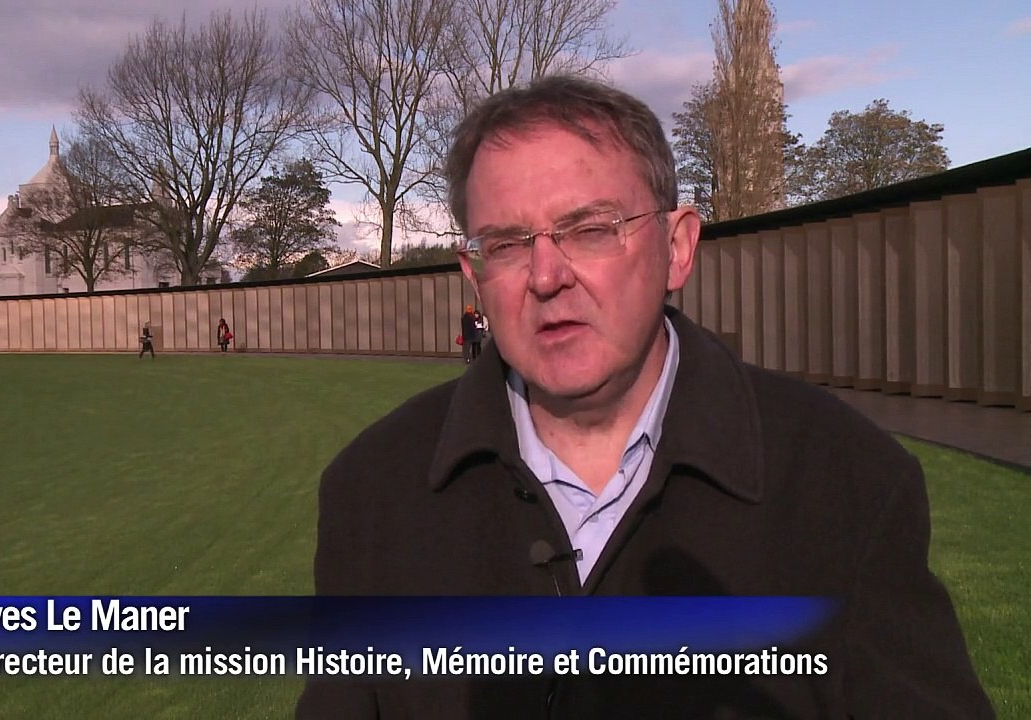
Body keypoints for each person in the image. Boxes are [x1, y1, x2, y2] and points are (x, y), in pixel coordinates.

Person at [298, 76, 991, 718]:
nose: (545, 276)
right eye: (507, 245)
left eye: (591, 229)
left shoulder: (845, 480)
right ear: (474, 276)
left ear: (678, 248)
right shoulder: (372, 493)